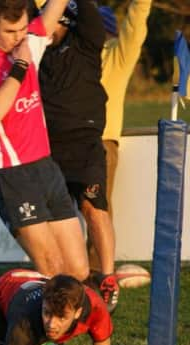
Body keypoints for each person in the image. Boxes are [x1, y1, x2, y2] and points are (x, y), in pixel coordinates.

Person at [0, 0, 90, 282]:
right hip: (10, 174)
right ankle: (40, 323)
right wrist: (20, 65)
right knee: (52, 268)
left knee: (79, 270)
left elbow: (55, 8)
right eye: (10, 31)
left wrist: (25, 44)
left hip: (45, 166)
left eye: (23, 29)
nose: (19, 37)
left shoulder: (27, 38)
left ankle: (67, 323)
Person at [37, 0, 119, 313]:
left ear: (67, 22)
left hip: (84, 141)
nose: (45, 27)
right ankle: (62, 282)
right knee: (55, 219)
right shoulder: (38, 50)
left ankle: (108, 277)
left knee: (93, 206)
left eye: (53, 20)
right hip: (48, 146)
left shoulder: (86, 42)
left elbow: (87, 12)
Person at [88, 0, 152, 271]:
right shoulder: (73, 51)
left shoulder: (117, 55)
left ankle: (96, 273)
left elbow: (136, 22)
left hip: (100, 143)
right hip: (67, 140)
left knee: (96, 209)